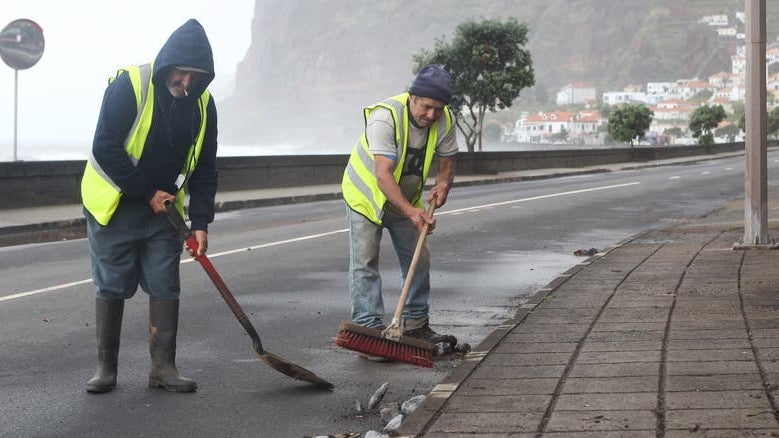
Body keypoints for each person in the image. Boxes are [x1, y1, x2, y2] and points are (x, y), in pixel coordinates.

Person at [80, 19, 218, 393]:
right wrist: (146, 192)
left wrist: (202, 220)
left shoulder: (203, 105)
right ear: (168, 63)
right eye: (182, 72)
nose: (186, 82)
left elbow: (206, 168)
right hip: (115, 206)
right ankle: (106, 369)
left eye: (196, 76)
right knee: (111, 285)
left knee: (165, 284)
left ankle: (163, 368)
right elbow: (105, 146)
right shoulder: (131, 85)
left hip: (165, 213)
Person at [341, 65, 459, 357]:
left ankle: (415, 324)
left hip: (404, 197)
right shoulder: (386, 117)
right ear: (413, 97)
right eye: (427, 107)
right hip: (366, 196)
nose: (432, 115)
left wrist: (443, 186)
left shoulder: (444, 120)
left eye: (438, 108)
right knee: (366, 261)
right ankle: (367, 325)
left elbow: (446, 166)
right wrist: (410, 211)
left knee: (418, 257)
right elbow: (383, 175)